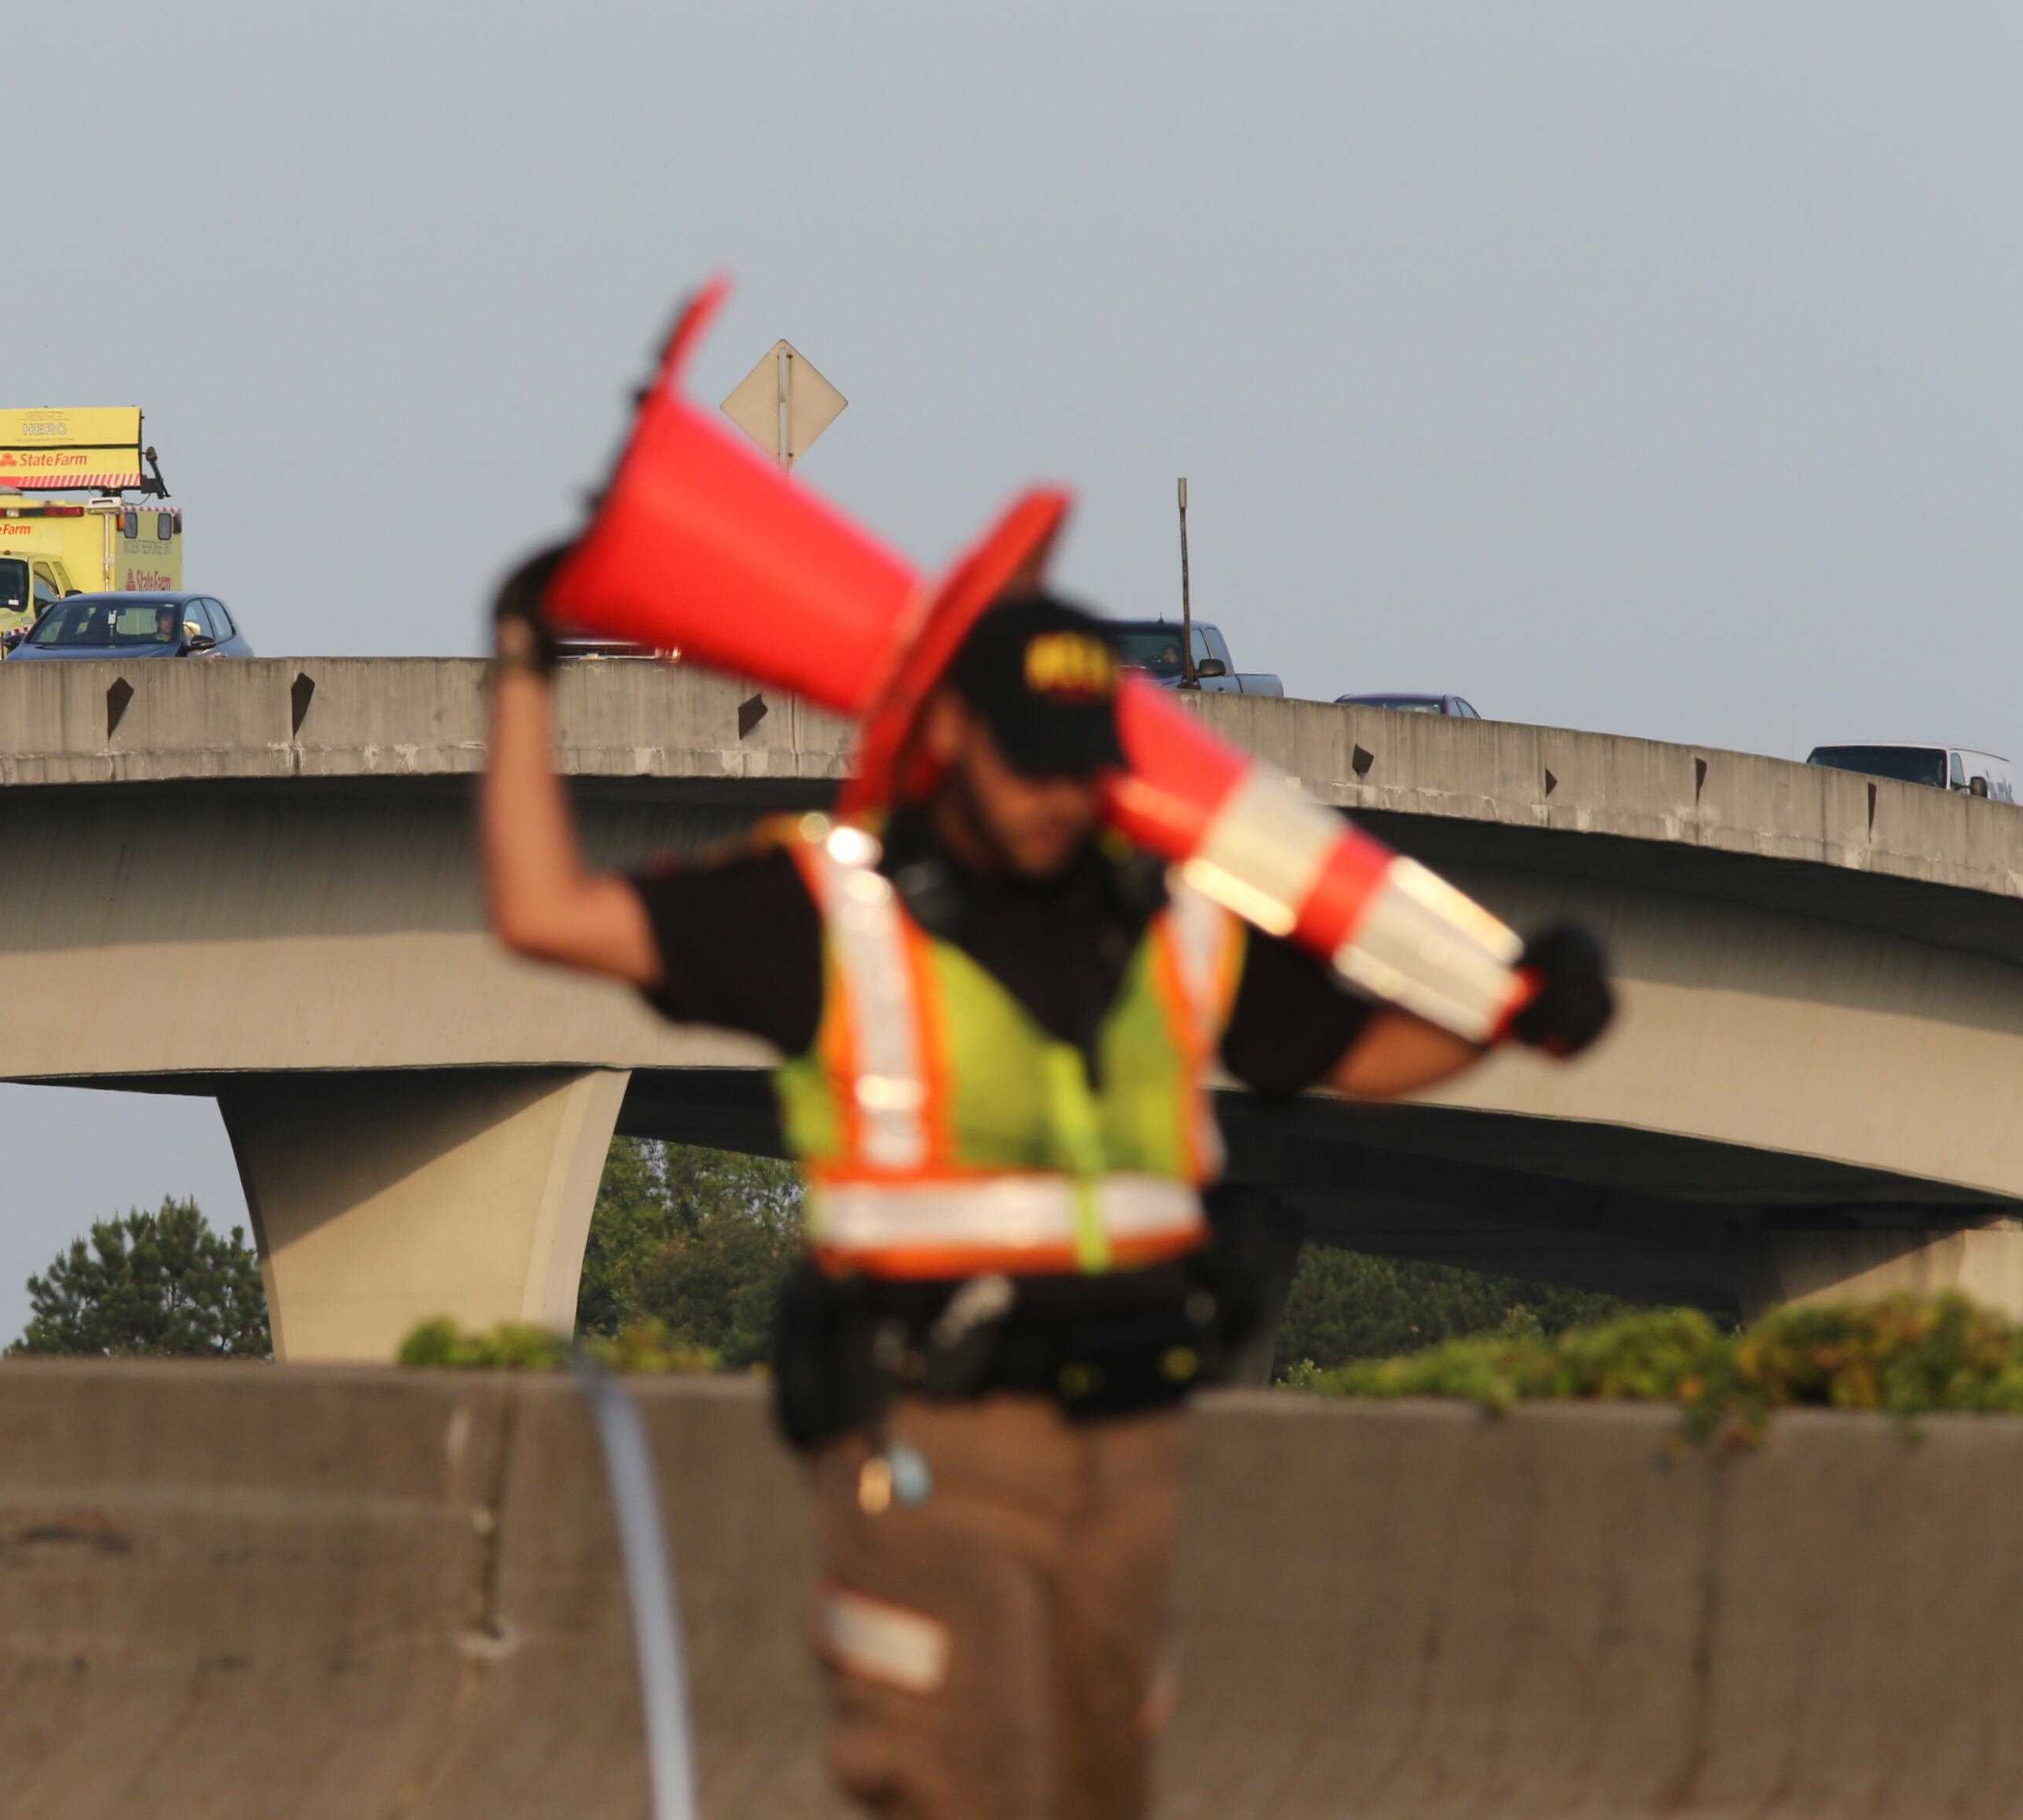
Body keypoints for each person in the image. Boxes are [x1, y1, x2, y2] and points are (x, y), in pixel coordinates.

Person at [476, 578, 1613, 1820]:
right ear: (953, 738)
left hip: (1131, 1453)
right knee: (980, 1782)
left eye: (1081, 767)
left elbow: (1354, 1054)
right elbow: (545, 912)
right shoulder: (833, 914)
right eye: (1029, 765)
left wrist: (1510, 1016)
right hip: (933, 1451)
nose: (1057, 799)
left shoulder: (1175, 918)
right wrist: (528, 674)